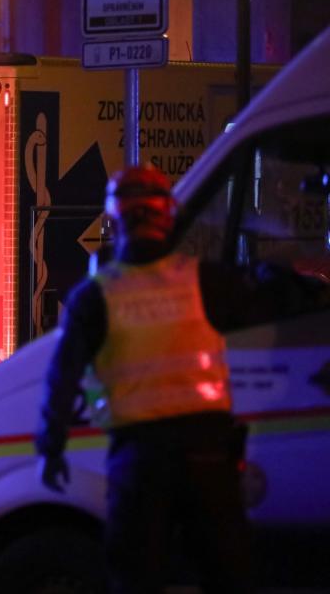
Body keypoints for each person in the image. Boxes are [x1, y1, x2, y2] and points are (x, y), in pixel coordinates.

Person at [35, 164, 329, 593]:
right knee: (226, 574)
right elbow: (276, 298)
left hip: (138, 461)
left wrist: (52, 447)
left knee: (137, 578)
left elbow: (60, 379)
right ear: (168, 216)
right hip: (209, 457)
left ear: (115, 220)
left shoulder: (97, 296)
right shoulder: (205, 281)